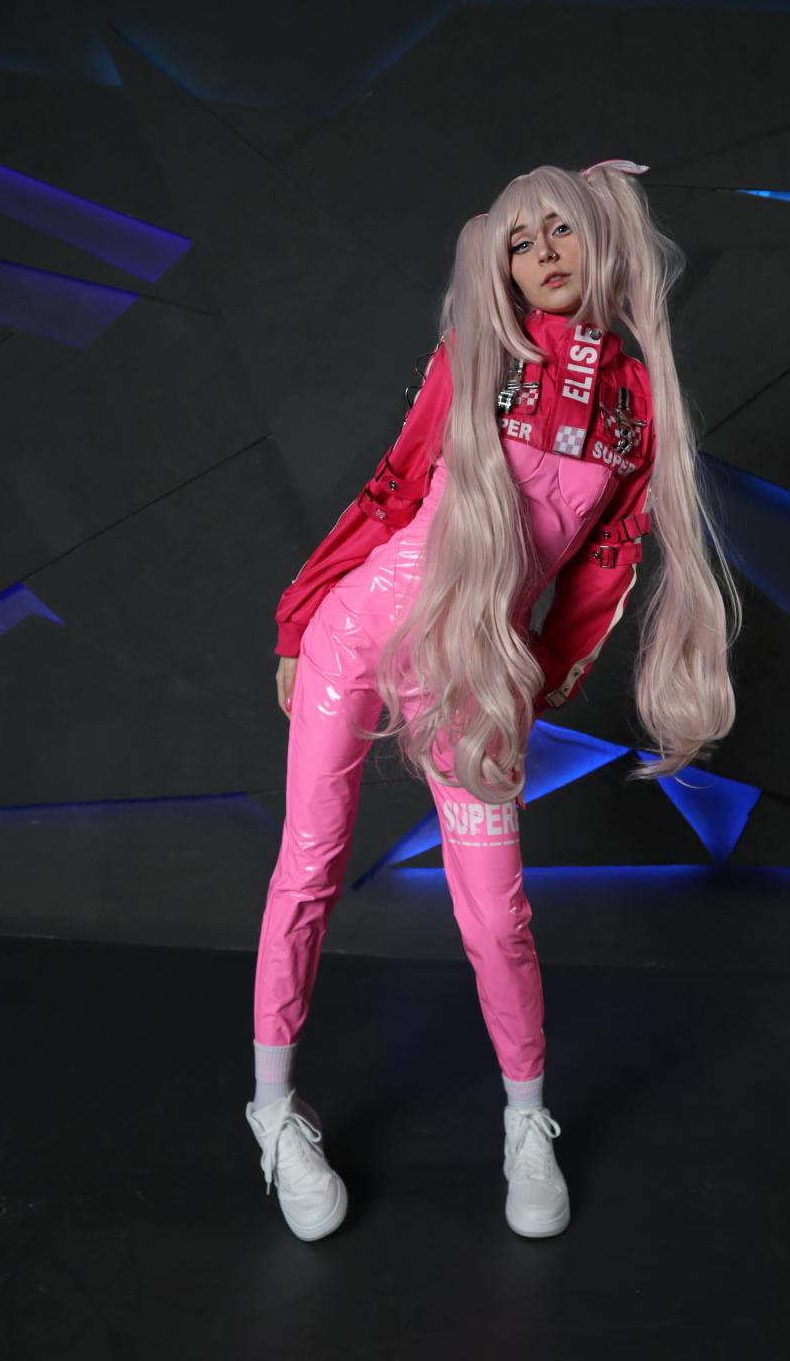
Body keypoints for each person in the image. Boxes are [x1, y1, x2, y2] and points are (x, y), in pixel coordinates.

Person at [244, 161, 738, 1242]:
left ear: (598, 240)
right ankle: (273, 1112)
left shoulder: (638, 400)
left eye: (563, 229)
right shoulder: (479, 351)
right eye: (522, 240)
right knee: (309, 865)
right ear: (502, 265)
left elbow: (604, 563)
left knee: (496, 914)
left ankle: (526, 1123)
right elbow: (394, 485)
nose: (545, 253)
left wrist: (538, 678)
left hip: (476, 671)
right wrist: (298, 616)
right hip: (357, 632)